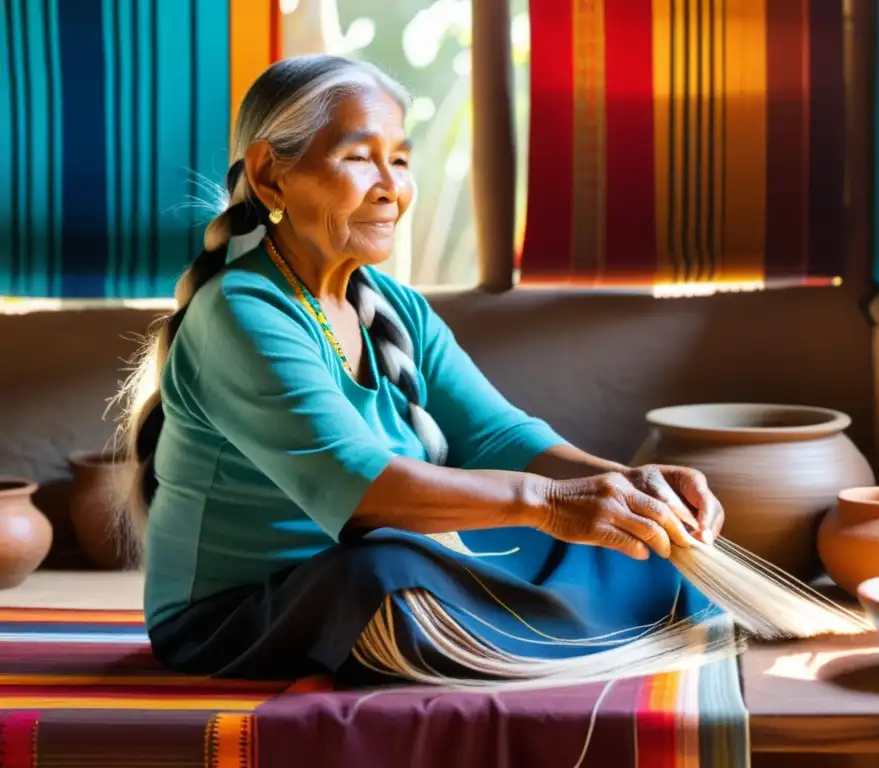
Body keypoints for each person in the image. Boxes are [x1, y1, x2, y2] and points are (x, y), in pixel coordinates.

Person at [121, 54, 725, 682]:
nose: (391, 186)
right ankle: (556, 630)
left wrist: (627, 488)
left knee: (629, 545)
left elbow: (499, 436)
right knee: (383, 574)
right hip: (239, 615)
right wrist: (552, 503)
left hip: (382, 558)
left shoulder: (394, 307)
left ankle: (527, 628)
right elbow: (364, 493)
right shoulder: (241, 312)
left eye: (401, 160)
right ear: (271, 175)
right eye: (359, 157)